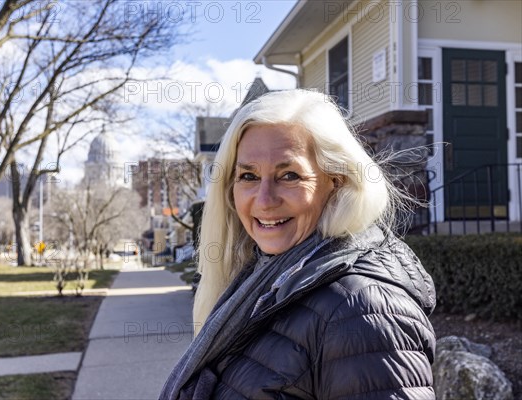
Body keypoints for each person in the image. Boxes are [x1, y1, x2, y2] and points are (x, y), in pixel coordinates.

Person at [160, 89, 436, 399]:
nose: (264, 201)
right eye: (248, 176)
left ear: (337, 182)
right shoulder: (262, 279)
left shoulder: (361, 310)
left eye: (289, 175)